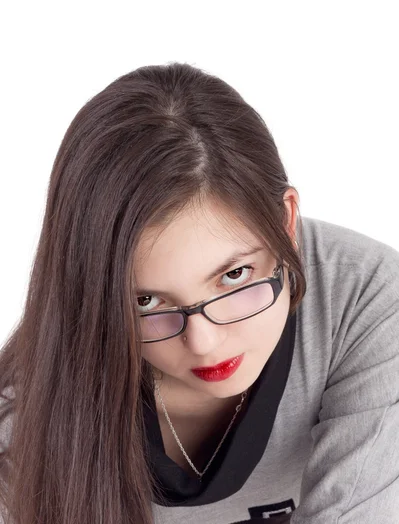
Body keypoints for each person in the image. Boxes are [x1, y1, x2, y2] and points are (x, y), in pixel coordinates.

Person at [0, 62, 398, 524]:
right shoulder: (20, 417)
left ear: (287, 225)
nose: (204, 342)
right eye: (145, 301)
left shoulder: (364, 301)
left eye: (234, 276)